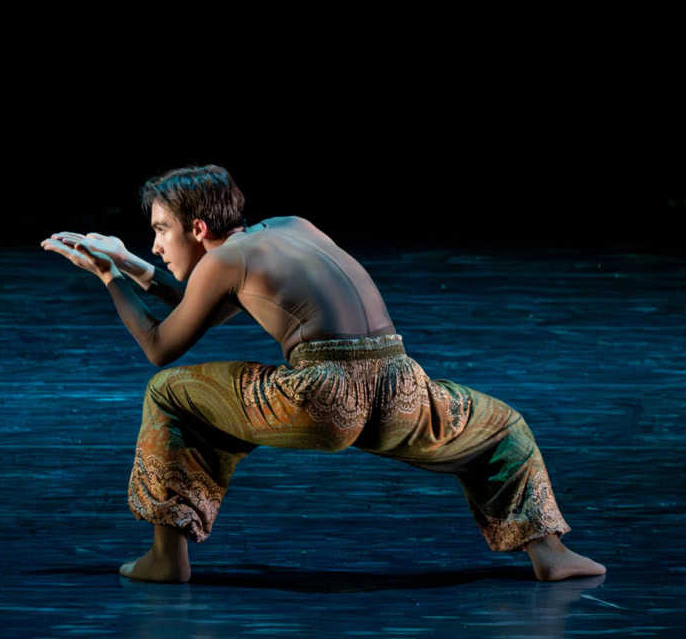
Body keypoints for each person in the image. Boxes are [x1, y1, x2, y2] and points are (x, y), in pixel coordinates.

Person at [41, 166, 603, 583]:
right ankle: (550, 554)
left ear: (200, 226)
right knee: (501, 426)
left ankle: (167, 557)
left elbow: (163, 345)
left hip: (321, 399)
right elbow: (207, 299)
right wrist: (133, 266)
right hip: (402, 386)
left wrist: (108, 275)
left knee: (168, 393)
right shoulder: (289, 228)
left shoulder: (222, 262)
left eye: (162, 231)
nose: (157, 246)